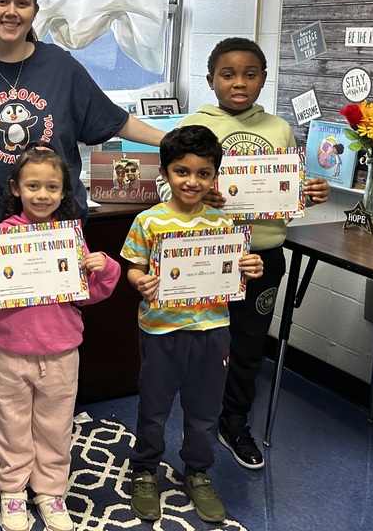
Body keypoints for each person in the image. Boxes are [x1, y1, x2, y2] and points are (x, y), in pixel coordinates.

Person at [0, 0, 164, 443]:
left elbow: (114, 121)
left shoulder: (60, 67)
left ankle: (49, 426)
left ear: (35, 11)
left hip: (58, 233)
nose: (11, 11)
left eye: (22, 3)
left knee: (53, 332)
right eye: (1, 1)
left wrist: (177, 145)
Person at [178, 37, 330, 470]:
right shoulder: (195, 126)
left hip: (263, 255)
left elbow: (285, 191)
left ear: (263, 79)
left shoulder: (279, 129)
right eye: (228, 75)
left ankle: (235, 420)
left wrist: (309, 193)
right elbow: (168, 188)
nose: (239, 83)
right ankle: (194, 416)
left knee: (247, 346)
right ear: (211, 81)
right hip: (208, 254)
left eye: (250, 74)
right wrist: (201, 195)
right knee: (202, 341)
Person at [0, 143, 120, 531]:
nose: (42, 195)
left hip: (62, 351)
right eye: (33, 186)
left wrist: (105, 267)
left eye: (51, 187)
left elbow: (90, 293)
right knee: (10, 424)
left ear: (64, 192)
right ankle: (13, 493)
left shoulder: (71, 237)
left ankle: (50, 491)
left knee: (56, 425)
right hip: (10, 350)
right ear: (15, 188)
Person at [121, 126, 264, 523]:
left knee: (204, 409)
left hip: (212, 329)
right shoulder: (148, 222)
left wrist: (251, 266)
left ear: (215, 176)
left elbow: (240, 267)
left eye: (203, 173)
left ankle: (197, 471)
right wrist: (141, 282)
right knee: (154, 407)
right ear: (165, 172)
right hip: (161, 330)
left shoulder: (223, 225)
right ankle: (145, 469)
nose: (192, 181)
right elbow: (132, 269)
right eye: (182, 171)